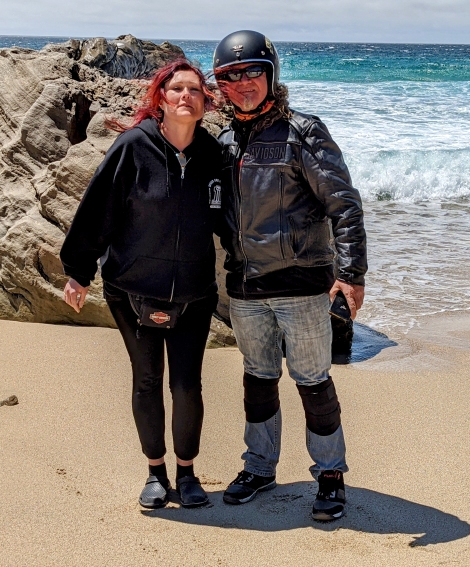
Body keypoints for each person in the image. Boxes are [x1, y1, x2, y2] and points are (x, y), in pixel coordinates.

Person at [212, 30, 367, 521]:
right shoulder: (223, 142)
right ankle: (259, 467)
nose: (243, 84)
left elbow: (344, 206)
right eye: (230, 76)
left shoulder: (304, 133)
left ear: (271, 74)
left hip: (301, 287)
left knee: (313, 382)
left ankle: (330, 475)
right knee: (257, 380)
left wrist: (352, 274)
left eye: (252, 72)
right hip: (245, 287)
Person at [59, 59, 223, 510]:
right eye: (177, 89)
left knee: (187, 385)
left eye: (195, 90)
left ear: (205, 102)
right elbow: (98, 208)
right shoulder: (133, 146)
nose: (187, 96)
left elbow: (229, 218)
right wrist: (78, 270)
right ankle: (155, 472)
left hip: (194, 292)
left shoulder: (213, 154)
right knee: (148, 379)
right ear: (161, 99)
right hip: (132, 289)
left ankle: (187, 473)